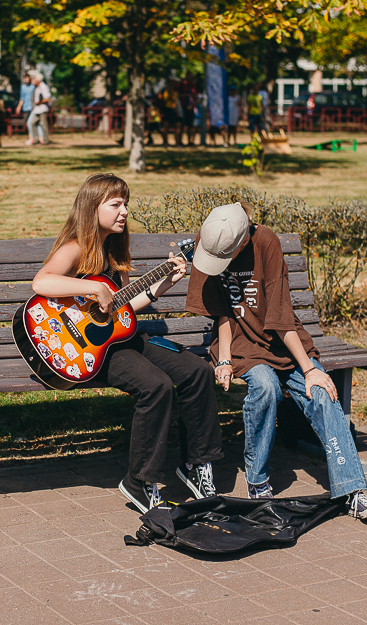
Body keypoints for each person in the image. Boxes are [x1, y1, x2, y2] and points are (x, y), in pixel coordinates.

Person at [32, 174, 225, 513]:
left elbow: (121, 308)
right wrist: (92, 289)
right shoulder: (76, 247)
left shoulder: (115, 254)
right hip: (86, 349)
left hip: (117, 338)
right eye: (116, 204)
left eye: (126, 204)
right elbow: (42, 282)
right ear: (94, 208)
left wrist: (162, 285)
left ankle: (198, 465)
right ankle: (140, 481)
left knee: (196, 370)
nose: (124, 211)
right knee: (156, 386)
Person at [185, 203, 367, 520]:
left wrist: (309, 370)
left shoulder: (266, 242)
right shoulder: (212, 237)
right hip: (240, 344)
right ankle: (258, 483)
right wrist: (223, 359)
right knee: (266, 388)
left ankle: (352, 492)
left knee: (322, 393)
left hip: (282, 339)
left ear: (243, 241)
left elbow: (281, 317)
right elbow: (222, 312)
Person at [29, 72, 52, 145]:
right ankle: (36, 139)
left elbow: (47, 98)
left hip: (42, 109)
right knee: (32, 123)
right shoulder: (36, 87)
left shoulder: (43, 87)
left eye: (35, 78)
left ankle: (46, 140)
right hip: (37, 110)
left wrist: (39, 102)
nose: (33, 80)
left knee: (44, 124)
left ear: (38, 80)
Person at [16, 74, 36, 144]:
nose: (27, 80)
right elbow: (22, 98)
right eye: (26, 78)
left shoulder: (33, 87)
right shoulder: (23, 87)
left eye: (28, 78)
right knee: (27, 123)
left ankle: (32, 138)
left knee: (30, 123)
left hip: (32, 107)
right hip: (25, 107)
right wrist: (19, 106)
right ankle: (31, 137)